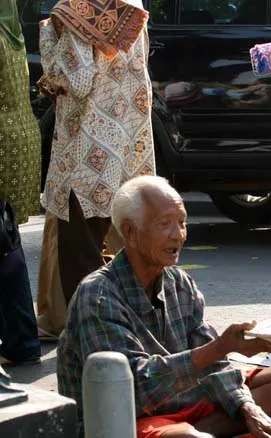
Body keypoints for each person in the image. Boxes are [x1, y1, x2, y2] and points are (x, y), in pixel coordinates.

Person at [57, 176, 271, 438]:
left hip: (184, 403)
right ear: (131, 232)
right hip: (123, 420)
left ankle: (224, 427)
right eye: (164, 224)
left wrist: (249, 410)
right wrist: (219, 347)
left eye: (182, 222)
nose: (178, 234)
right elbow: (133, 391)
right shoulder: (98, 295)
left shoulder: (180, 283)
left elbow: (216, 365)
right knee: (186, 436)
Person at [35, 0, 155, 337]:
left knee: (81, 248)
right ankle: (131, 322)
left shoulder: (75, 12)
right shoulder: (132, 6)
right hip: (128, 142)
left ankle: (89, 330)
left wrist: (49, 34)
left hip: (87, 148)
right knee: (125, 242)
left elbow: (77, 79)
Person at [0, 0, 42, 366]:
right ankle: (22, 338)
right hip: (19, 136)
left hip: (2, 139)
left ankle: (20, 340)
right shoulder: (11, 29)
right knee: (6, 239)